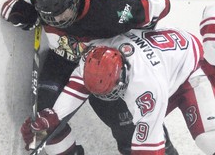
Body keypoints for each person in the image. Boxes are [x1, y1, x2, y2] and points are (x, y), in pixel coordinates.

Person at [1, 0, 177, 154]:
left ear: (75, 0)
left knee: (131, 133)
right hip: (64, 61)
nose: (57, 20)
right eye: (49, 17)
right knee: (44, 121)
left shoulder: (110, 10)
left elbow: (162, 4)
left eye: (62, 14)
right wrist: (29, 15)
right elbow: (32, 11)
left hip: (105, 69)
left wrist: (141, 22)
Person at [22, 27, 215, 155]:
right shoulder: (94, 56)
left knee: (207, 140)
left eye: (109, 91)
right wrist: (47, 124)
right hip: (162, 63)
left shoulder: (146, 86)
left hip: (192, 70)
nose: (105, 97)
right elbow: (70, 97)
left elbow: (149, 149)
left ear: (121, 76)